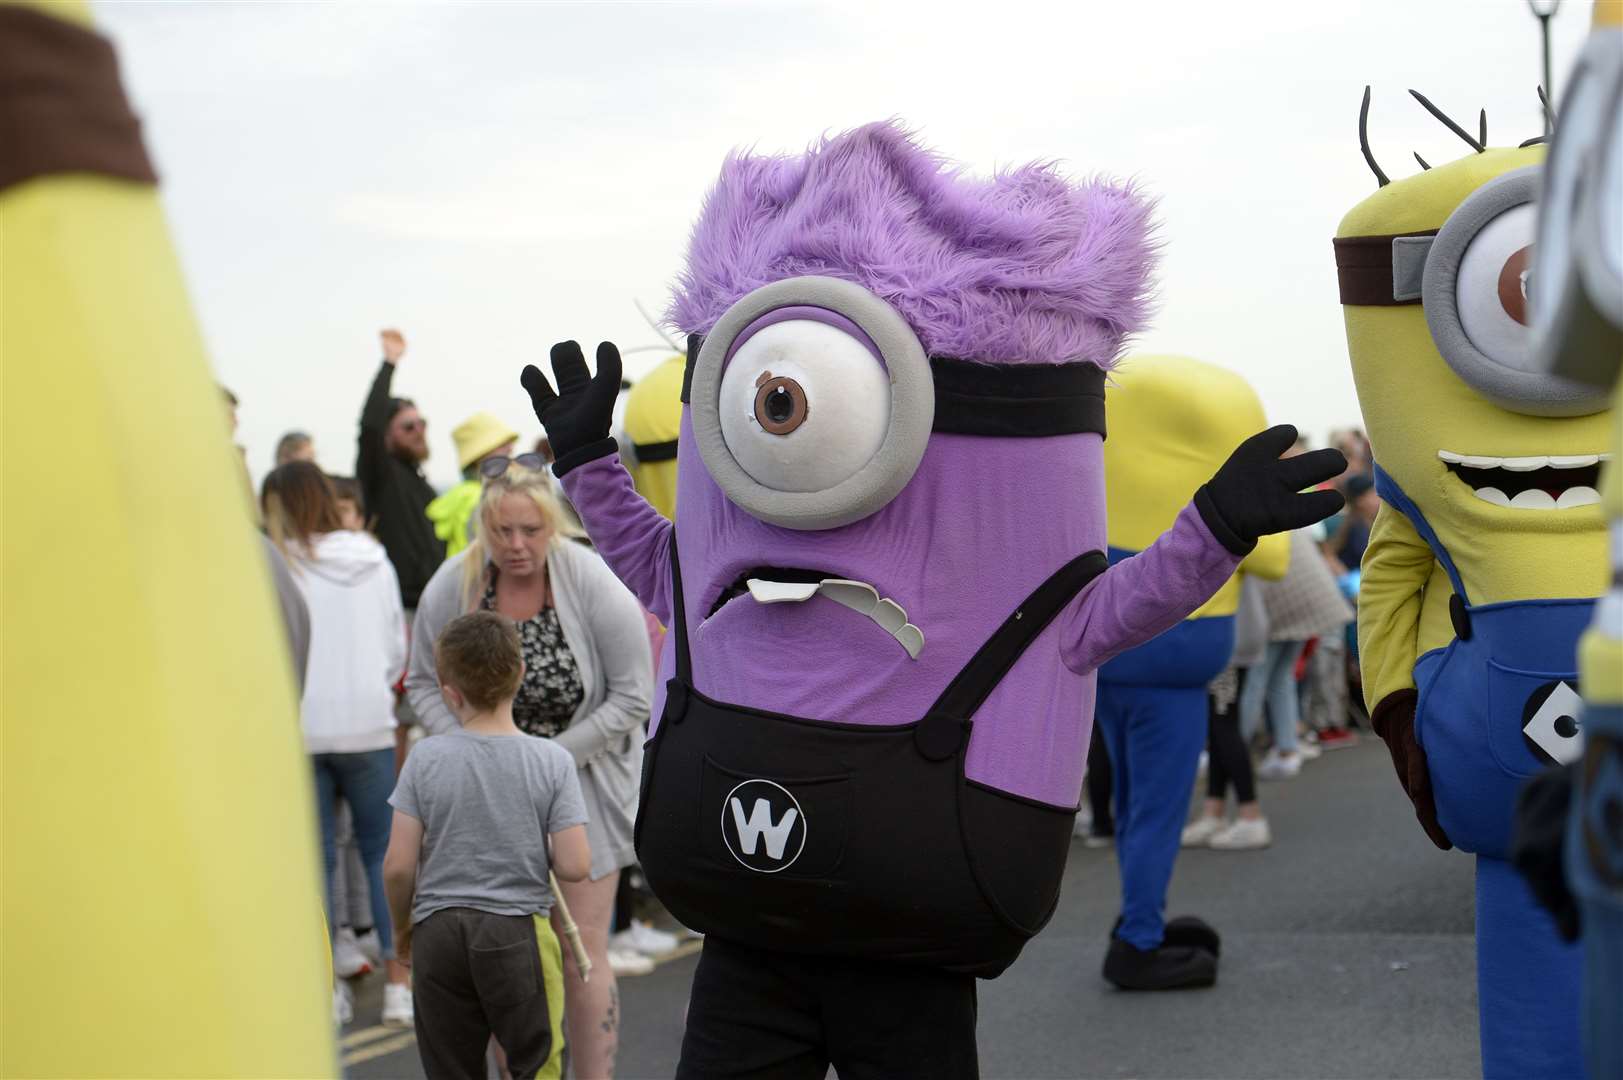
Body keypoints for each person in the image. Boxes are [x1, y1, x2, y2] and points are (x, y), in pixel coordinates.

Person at [407, 465, 651, 1078]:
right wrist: (472, 752)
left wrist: (540, 763)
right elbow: (418, 680)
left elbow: (632, 696)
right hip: (485, 793)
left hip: (582, 779)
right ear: (483, 530)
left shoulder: (590, 577)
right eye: (502, 531)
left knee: (580, 953)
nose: (516, 545)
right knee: (504, 959)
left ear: (554, 526)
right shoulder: (454, 581)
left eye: (531, 530)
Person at [385, 612, 591, 1080]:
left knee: (451, 1069)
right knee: (536, 1062)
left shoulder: (425, 758)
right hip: (515, 933)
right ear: (520, 674)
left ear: (448, 691)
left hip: (436, 934)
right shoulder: (551, 761)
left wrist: (403, 932)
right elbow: (576, 865)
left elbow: (398, 866)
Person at [261, 461, 413, 1026]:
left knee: (316, 862)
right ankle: (400, 983)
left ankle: (326, 991)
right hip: (369, 721)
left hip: (299, 726)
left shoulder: (276, 562)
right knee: (382, 856)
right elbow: (397, 647)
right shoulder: (373, 558)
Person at [1243, 528, 1354, 780]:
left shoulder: (1248, 514)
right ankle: (1287, 749)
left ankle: (1234, 750)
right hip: (1311, 598)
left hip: (1279, 602)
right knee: (1281, 678)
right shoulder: (1286, 513)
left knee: (1256, 680)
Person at [357, 328, 445, 611]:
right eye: (408, 426)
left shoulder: (422, 483)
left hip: (433, 602)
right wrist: (389, 364)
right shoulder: (382, 474)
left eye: (422, 424)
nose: (418, 431)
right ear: (387, 435)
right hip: (399, 606)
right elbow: (369, 426)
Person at [426, 411, 520, 558]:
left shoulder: (459, 494)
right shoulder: (482, 497)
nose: (510, 449)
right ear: (481, 457)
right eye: (501, 445)